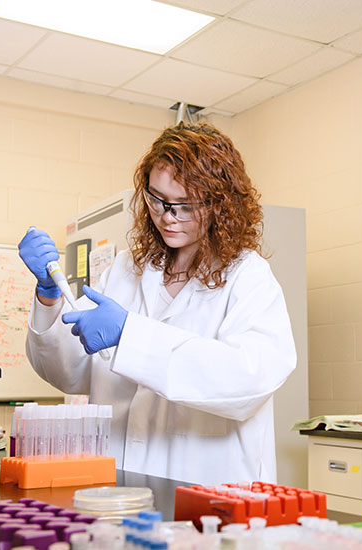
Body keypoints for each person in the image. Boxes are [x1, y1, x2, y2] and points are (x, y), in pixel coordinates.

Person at [17, 122, 296, 484]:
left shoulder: (248, 276)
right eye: (157, 199)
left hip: (209, 493)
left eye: (184, 205)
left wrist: (130, 334)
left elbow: (250, 379)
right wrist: (48, 295)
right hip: (118, 487)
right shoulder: (124, 271)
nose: (166, 216)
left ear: (220, 205)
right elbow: (69, 372)